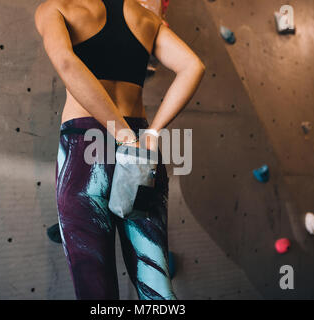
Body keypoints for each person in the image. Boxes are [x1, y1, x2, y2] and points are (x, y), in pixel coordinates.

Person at [34, 0, 205, 300]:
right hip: (140, 148)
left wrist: (121, 135)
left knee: (95, 289)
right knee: (156, 286)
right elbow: (193, 66)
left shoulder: (56, 8)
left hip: (84, 148)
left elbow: (66, 62)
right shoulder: (145, 18)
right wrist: (150, 133)